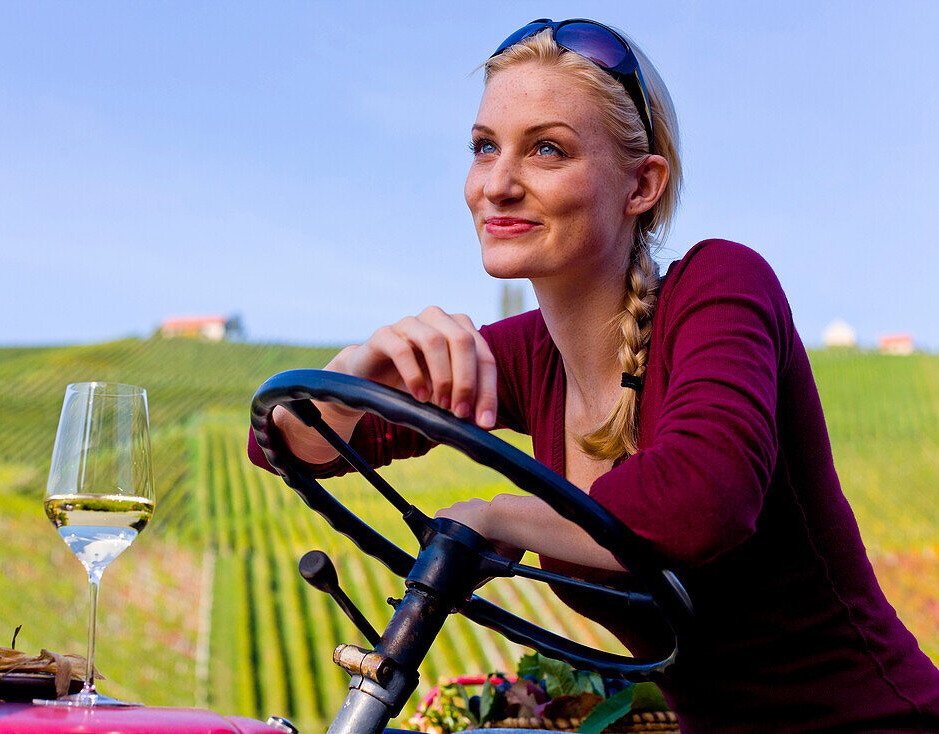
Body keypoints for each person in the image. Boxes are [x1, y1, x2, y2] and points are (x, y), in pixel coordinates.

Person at [248, 18, 939, 732]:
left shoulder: (720, 286)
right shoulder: (526, 358)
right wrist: (348, 376)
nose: (498, 184)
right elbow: (291, 445)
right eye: (485, 147)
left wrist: (496, 517)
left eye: (546, 149)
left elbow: (702, 501)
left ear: (642, 184)